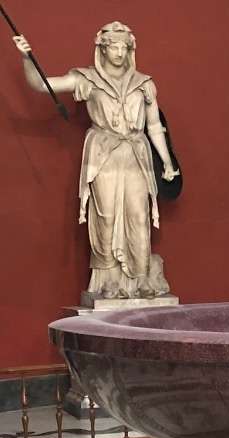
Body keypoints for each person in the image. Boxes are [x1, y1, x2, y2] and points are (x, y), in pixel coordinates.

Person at [13, 24, 178, 299]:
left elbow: (154, 126)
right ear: (102, 49)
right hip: (104, 154)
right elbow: (42, 85)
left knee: (138, 215)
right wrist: (27, 58)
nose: (119, 52)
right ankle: (108, 282)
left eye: (124, 47)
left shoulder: (144, 84)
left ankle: (139, 280)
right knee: (106, 215)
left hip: (136, 153)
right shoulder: (87, 79)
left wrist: (167, 162)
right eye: (113, 46)